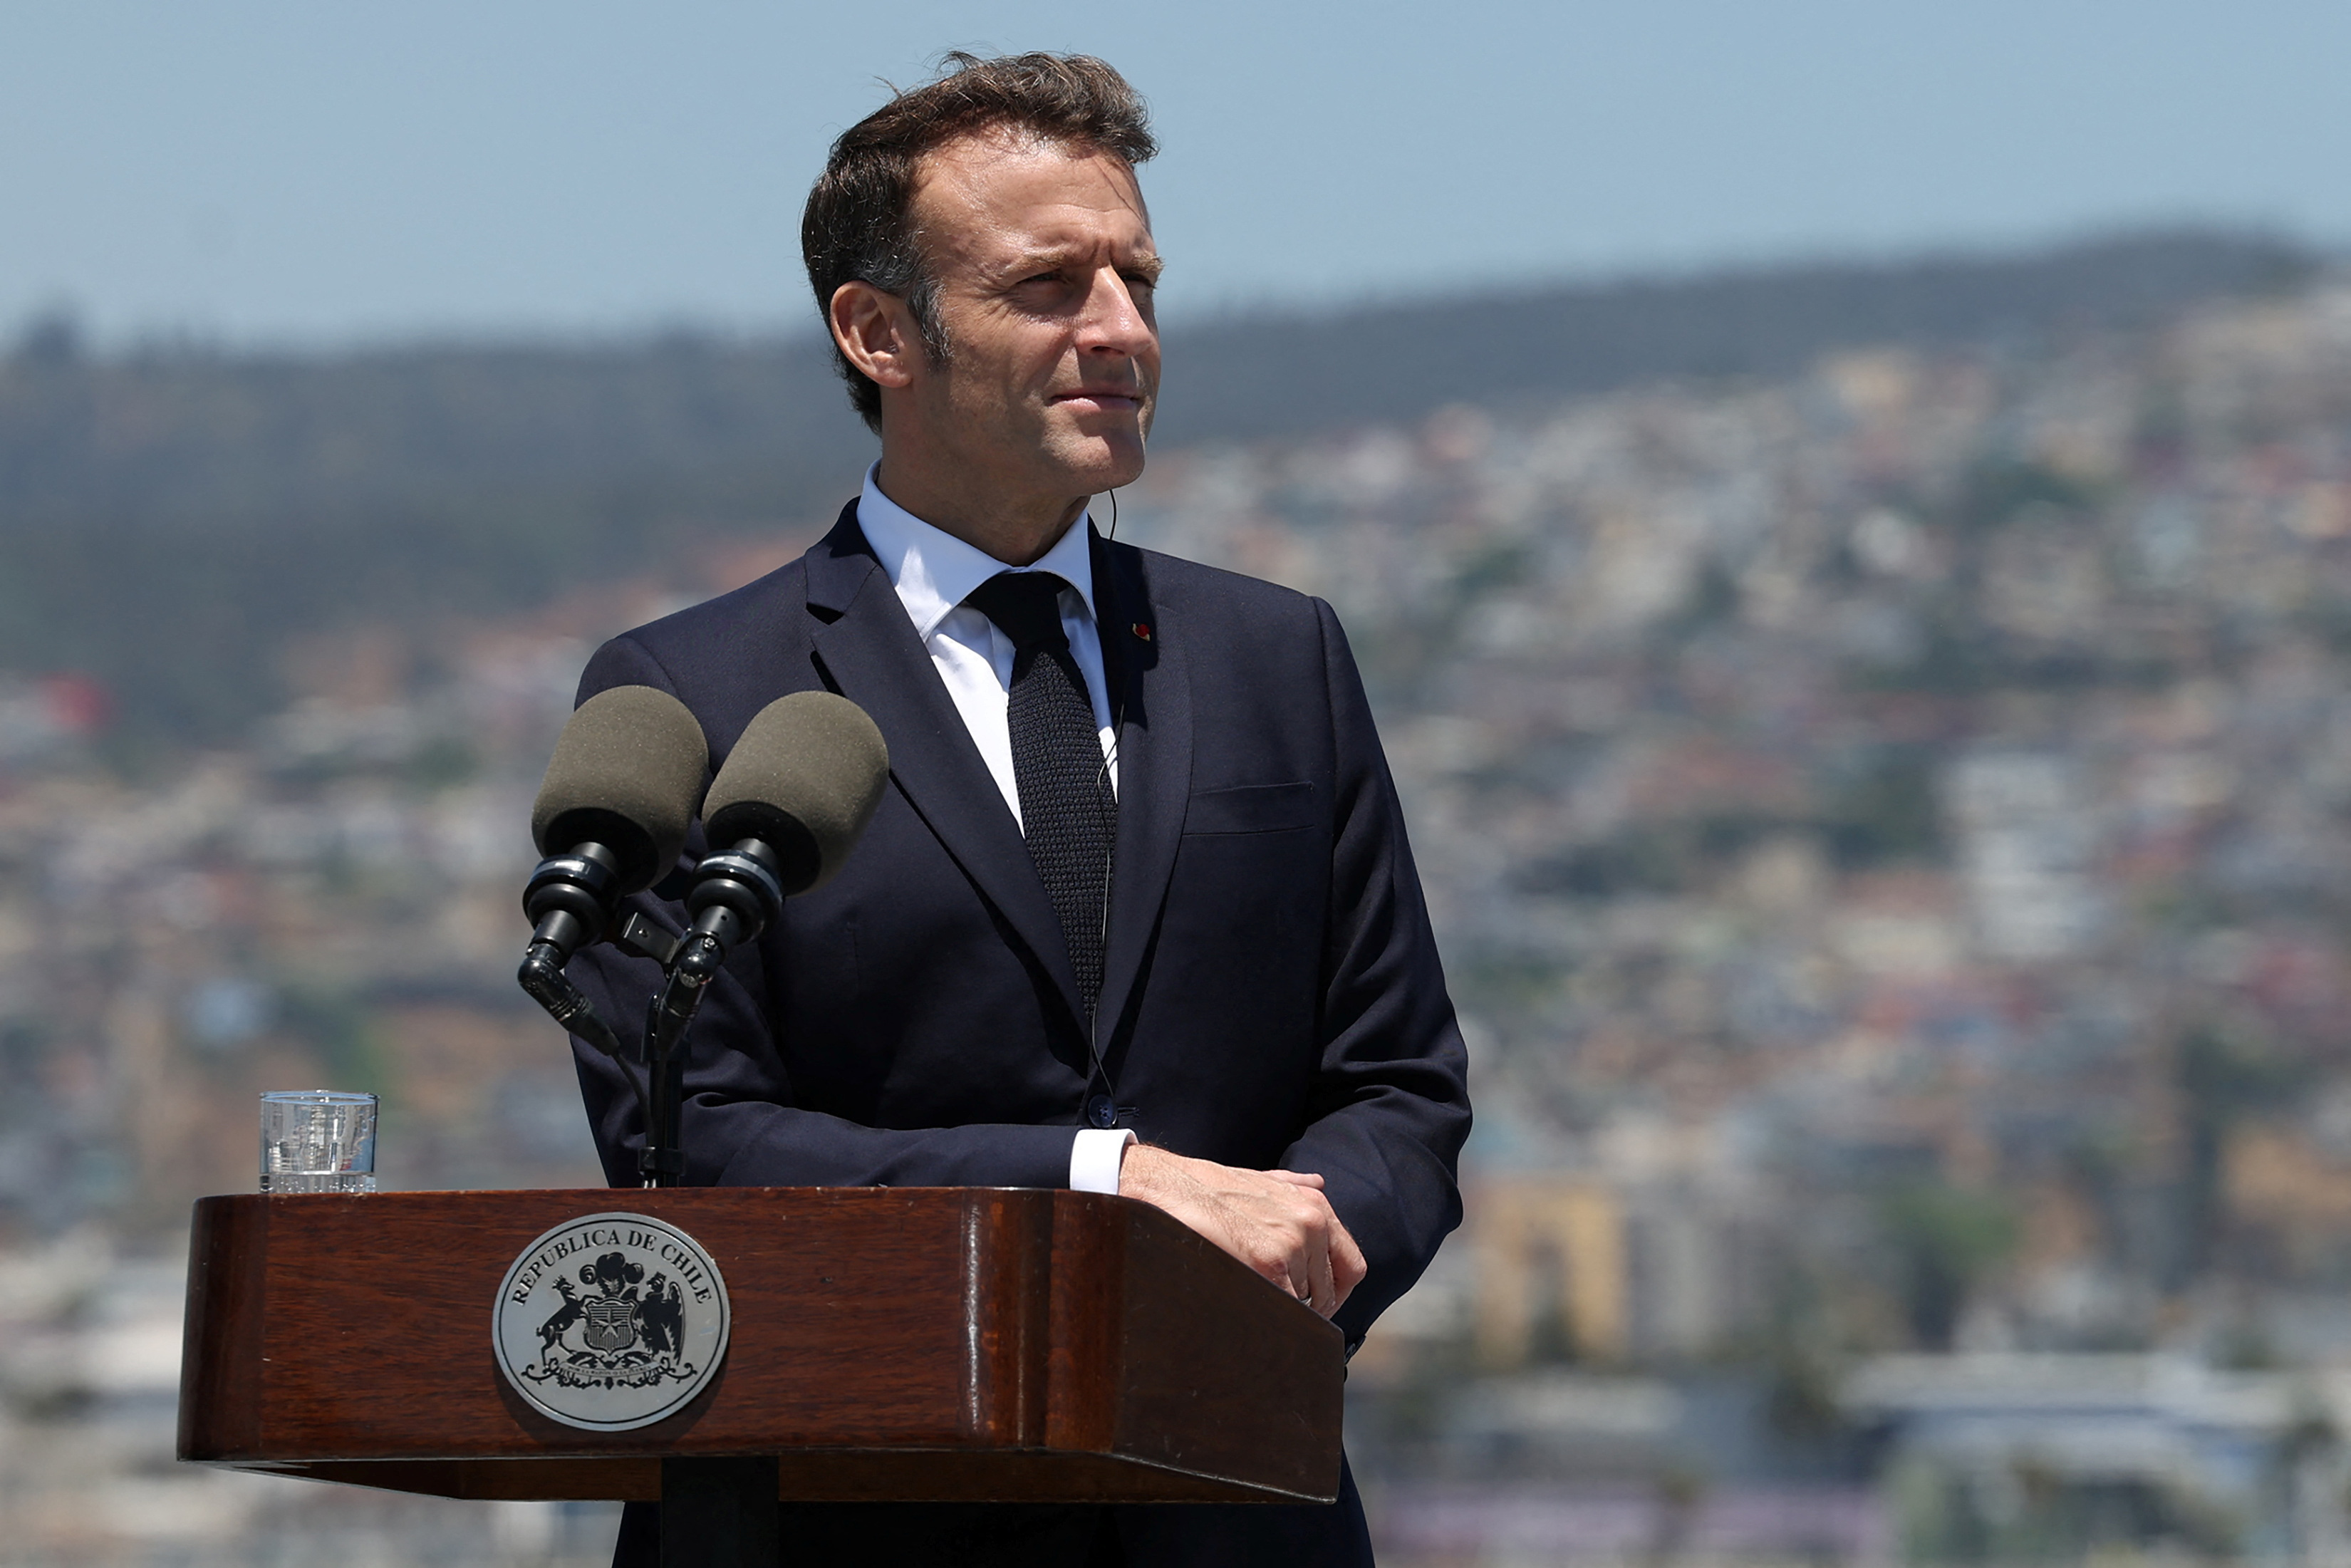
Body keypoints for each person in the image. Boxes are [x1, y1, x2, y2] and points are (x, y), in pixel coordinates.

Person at [565, 51, 1470, 1567]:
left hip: (1232, 1509)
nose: (1122, 331)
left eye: (1140, 279)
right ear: (877, 332)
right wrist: (1105, 1192)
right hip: (841, 1522)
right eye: (1051, 285)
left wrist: (1280, 1278)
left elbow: (1401, 1089)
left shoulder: (1277, 658)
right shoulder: (687, 701)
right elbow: (698, 1140)